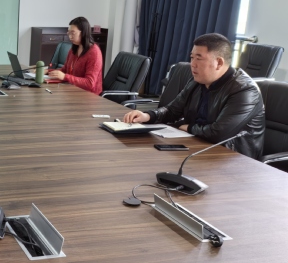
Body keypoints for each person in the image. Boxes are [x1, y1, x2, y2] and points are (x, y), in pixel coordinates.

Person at [123, 33, 265, 159]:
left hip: (232, 158)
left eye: (199, 58)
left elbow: (219, 133)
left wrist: (189, 128)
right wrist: (147, 116)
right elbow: (172, 110)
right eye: (192, 57)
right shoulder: (197, 81)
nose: (193, 64)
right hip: (196, 146)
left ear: (219, 63)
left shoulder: (245, 90)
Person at [47, 17, 103, 94]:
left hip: (89, 96)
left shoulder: (94, 52)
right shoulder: (74, 49)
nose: (70, 37)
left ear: (83, 32)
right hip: (73, 91)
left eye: (73, 33)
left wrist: (65, 77)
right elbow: (65, 70)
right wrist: (47, 71)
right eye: (69, 33)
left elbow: (90, 83)